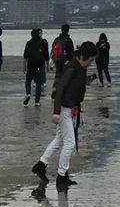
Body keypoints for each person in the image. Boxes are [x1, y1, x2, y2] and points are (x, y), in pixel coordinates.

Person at [32, 40, 97, 191]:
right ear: (83, 56)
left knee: (59, 139)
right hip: (64, 109)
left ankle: (41, 165)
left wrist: (87, 81)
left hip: (71, 107)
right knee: (70, 143)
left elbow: (76, 85)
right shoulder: (72, 68)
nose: (91, 63)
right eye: (91, 60)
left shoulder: (80, 68)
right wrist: (56, 112)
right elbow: (60, 89)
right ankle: (62, 176)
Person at [23, 27, 49, 105]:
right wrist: (47, 66)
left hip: (30, 65)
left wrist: (24, 67)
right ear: (39, 34)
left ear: (31, 35)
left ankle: (28, 94)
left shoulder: (29, 43)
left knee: (28, 81)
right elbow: (46, 56)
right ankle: (37, 101)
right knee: (38, 83)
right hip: (40, 66)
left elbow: (25, 56)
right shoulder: (43, 43)